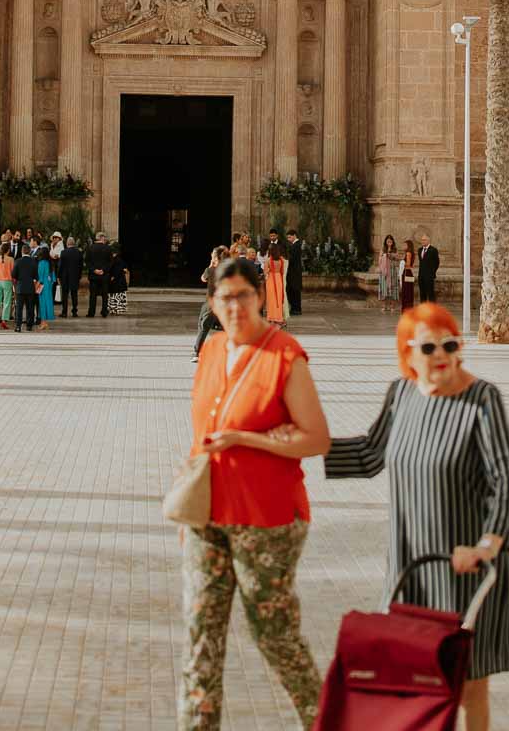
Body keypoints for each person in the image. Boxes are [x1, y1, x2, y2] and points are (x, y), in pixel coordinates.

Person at [324, 301, 509, 731]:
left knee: (468, 687)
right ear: (407, 354)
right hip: (411, 564)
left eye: (450, 345)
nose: (441, 356)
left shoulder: (481, 399)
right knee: (410, 677)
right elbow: (369, 454)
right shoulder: (401, 395)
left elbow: (506, 480)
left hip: (466, 568)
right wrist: (308, 443)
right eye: (429, 347)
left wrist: (488, 544)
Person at [179, 254, 330, 729]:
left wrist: (248, 440)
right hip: (208, 516)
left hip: (268, 519)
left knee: (274, 636)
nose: (236, 306)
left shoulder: (285, 354)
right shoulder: (209, 352)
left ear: (261, 297)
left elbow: (316, 437)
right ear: (212, 302)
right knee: (199, 639)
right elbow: (201, 432)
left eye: (245, 295)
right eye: (226, 297)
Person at [193, 246, 228, 361]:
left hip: (211, 302)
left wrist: (210, 265)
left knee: (203, 326)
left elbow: (203, 278)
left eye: (212, 254)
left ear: (215, 257)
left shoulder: (211, 270)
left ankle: (197, 353)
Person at [86, 232, 113, 318]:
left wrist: (94, 270)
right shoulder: (108, 248)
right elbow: (110, 262)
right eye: (104, 238)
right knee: (105, 294)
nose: (105, 239)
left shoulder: (90, 248)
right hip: (104, 276)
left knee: (93, 295)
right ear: (102, 238)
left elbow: (87, 262)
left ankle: (91, 312)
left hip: (93, 276)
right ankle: (104, 311)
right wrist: (103, 270)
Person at [13, 244, 39, 332]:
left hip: (20, 287)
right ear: (29, 251)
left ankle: (18, 326)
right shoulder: (33, 262)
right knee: (30, 307)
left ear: (22, 251)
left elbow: (13, 275)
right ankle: (29, 325)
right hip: (30, 287)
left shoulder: (17, 261)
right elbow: (36, 276)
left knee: (19, 308)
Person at [263, 241, 288, 326]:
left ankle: (272, 318)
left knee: (271, 299)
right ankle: (279, 317)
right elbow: (283, 271)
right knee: (278, 298)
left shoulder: (268, 260)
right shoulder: (281, 260)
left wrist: (268, 271)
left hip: (271, 279)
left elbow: (265, 272)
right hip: (279, 279)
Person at [59, 235, 83, 317]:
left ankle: (64, 312)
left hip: (65, 277)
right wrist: (79, 276)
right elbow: (81, 266)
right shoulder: (79, 253)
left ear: (67, 244)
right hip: (75, 276)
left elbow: (60, 266)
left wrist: (59, 276)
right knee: (74, 294)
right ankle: (74, 311)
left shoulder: (63, 252)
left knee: (65, 295)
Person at [37, 246, 58, 330]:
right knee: (48, 304)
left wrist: (37, 285)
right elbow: (53, 278)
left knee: (42, 304)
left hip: (42, 286)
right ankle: (45, 323)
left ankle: (43, 323)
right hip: (49, 286)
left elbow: (40, 277)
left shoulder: (41, 263)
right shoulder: (50, 263)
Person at [377, 234, 399, 312]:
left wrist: (392, 255)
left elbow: (397, 259)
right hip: (384, 271)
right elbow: (379, 259)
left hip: (392, 271)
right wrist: (384, 256)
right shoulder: (383, 249)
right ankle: (384, 306)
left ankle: (392, 306)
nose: (389, 242)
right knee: (384, 287)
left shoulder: (395, 249)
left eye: (390, 241)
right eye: (388, 241)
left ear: (392, 242)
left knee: (393, 288)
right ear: (386, 242)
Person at [284, 227, 303, 316]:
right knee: (291, 290)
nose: (288, 239)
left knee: (295, 290)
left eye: (289, 237)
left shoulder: (297, 245)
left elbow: (292, 258)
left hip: (295, 272)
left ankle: (296, 309)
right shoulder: (294, 245)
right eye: (287, 238)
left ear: (294, 236)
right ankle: (295, 308)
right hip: (293, 271)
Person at [107, 244, 129, 316]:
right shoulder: (119, 260)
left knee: (115, 296)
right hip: (119, 281)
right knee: (117, 296)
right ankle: (116, 310)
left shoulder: (116, 260)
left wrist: (113, 276)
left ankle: (114, 310)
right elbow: (125, 269)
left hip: (116, 281)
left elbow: (118, 270)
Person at [418, 233, 440, 303]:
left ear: (428, 241)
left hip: (429, 276)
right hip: (421, 276)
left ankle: (432, 310)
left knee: (430, 294)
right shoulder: (420, 250)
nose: (423, 241)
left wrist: (432, 272)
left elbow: (437, 263)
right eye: (422, 240)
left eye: (424, 240)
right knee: (422, 294)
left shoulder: (433, 250)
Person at [399, 240, 417, 311]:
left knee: (406, 291)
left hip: (407, 272)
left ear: (408, 246)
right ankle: (408, 308)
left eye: (405, 245)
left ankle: (406, 308)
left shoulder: (408, 253)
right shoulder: (410, 253)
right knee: (408, 291)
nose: (403, 246)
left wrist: (402, 262)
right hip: (409, 272)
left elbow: (408, 264)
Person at [49, 231, 64, 308]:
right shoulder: (51, 245)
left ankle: (58, 299)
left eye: (56, 237)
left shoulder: (61, 246)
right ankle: (53, 298)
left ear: (59, 238)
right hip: (52, 265)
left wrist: (54, 256)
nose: (55, 239)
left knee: (58, 282)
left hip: (58, 265)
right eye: (54, 237)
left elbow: (59, 255)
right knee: (53, 282)